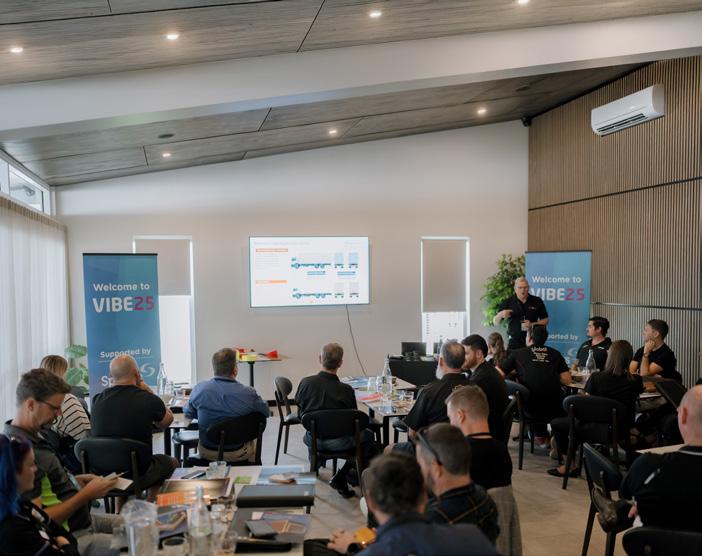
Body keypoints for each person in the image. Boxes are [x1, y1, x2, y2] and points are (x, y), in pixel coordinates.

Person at [4, 369, 121, 556]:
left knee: (149, 524)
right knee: (146, 539)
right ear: (31, 404)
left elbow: (49, 488)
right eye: (54, 408)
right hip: (73, 536)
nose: (59, 414)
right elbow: (39, 521)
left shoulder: (37, 436)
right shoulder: (20, 454)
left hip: (85, 522)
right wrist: (86, 495)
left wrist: (75, 480)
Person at [327, 453, 498, 556]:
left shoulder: (374, 551)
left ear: (370, 502)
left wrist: (353, 548)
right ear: (424, 497)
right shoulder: (472, 536)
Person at [549, 341, 643, 477]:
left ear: (609, 356)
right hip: (619, 431)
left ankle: (570, 465)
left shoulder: (596, 377)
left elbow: (586, 404)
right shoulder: (636, 381)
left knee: (556, 424)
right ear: (629, 358)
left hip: (589, 429)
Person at [295, 343, 375, 498]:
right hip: (341, 442)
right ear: (340, 363)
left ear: (320, 359)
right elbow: (353, 422)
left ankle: (316, 462)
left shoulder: (305, 383)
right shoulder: (346, 390)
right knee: (369, 437)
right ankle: (343, 475)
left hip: (313, 439)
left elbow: (300, 414)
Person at [619, 385, 702, 531]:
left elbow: (624, 493)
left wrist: (642, 502)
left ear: (683, 416)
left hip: (656, 542)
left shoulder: (648, 466)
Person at [91, 355, 177, 493]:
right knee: (171, 463)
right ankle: (149, 503)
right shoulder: (147, 398)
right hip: (138, 473)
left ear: (111, 376)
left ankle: (120, 505)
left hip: (105, 474)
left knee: (121, 461)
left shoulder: (97, 400)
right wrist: (148, 390)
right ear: (137, 374)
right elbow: (167, 421)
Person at [415, 424, 500, 543]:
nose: (418, 471)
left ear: (435, 467)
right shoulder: (485, 498)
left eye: (420, 464)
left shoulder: (433, 521)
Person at [184, 348, 269, 462]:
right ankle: (252, 469)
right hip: (237, 452)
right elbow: (266, 412)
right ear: (235, 370)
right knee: (253, 441)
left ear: (214, 368)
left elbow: (188, 413)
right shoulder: (248, 393)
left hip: (207, 452)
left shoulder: (199, 389)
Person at [0, 434, 79, 555]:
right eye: (31, 465)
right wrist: (65, 544)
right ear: (12, 473)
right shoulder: (13, 530)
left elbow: (66, 535)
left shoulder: (23, 506)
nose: (36, 469)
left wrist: (63, 544)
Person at [389, 341, 470, 454]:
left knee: (388, 449)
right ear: (464, 361)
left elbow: (412, 433)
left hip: (433, 450)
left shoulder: (429, 391)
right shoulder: (475, 388)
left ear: (440, 361)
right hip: (465, 448)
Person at [500, 325, 572, 445]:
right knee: (565, 408)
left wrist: (517, 373)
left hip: (529, 409)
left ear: (529, 338)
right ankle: (558, 444)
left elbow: (498, 373)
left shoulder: (518, 354)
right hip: (554, 408)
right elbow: (567, 380)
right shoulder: (555, 354)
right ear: (545, 338)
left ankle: (540, 436)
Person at [446, 385, 512, 489]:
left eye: (450, 417)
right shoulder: (502, 451)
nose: (450, 423)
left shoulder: (458, 453)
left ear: (460, 415)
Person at [39, 355, 91, 474]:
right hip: (76, 457)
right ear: (61, 373)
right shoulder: (66, 399)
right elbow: (84, 436)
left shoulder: (40, 399)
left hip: (59, 459)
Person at [461, 335, 509, 442]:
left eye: (466, 353)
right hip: (493, 429)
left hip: (487, 435)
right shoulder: (486, 370)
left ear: (479, 354)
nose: (462, 357)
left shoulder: (480, 379)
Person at [493, 277, 549, 350]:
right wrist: (500, 315)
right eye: (520, 288)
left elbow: (546, 320)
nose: (523, 290)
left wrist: (532, 324)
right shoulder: (508, 302)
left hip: (532, 340)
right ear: (515, 289)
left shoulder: (537, 301)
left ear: (528, 288)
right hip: (514, 341)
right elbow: (495, 322)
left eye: (525, 287)